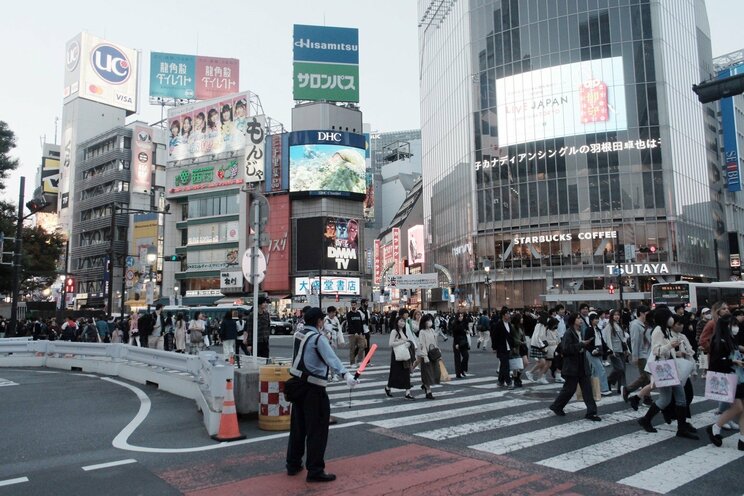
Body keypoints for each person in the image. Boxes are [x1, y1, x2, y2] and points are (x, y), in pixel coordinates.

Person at [286, 307, 359, 482]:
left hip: (297, 385)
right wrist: (346, 375)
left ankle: (293, 464)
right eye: (322, 320)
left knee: (298, 427)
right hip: (314, 388)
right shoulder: (318, 339)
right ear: (319, 321)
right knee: (317, 429)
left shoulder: (299, 334)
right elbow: (331, 358)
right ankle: (315, 470)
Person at [637, 306, 698, 440]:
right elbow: (656, 351)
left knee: (668, 399)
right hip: (664, 368)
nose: (672, 318)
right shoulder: (658, 330)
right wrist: (671, 345)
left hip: (669, 367)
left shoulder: (665, 329)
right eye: (670, 316)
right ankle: (679, 428)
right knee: (675, 398)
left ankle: (647, 420)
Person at [549, 313, 601, 421]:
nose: (580, 320)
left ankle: (591, 412)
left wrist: (585, 345)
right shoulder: (569, 333)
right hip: (572, 366)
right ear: (573, 321)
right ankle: (557, 406)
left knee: (587, 389)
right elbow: (566, 349)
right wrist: (582, 344)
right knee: (569, 389)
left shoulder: (581, 332)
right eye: (578, 318)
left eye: (581, 318)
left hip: (582, 364)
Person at [706, 314, 744, 450]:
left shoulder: (731, 339)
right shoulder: (718, 339)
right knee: (739, 407)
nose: (735, 327)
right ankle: (715, 428)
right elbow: (716, 362)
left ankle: (742, 439)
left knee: (742, 408)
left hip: (737, 376)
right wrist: (733, 361)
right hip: (727, 377)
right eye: (732, 325)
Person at [625, 305, 653, 408]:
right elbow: (634, 341)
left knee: (645, 377)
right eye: (647, 312)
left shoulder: (645, 324)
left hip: (647, 353)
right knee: (646, 377)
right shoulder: (635, 325)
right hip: (641, 354)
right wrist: (635, 356)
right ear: (641, 313)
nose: (648, 314)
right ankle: (645, 397)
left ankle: (631, 390)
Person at [385, 315, 417, 399]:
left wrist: (409, 343)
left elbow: (407, 341)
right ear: (397, 322)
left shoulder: (403, 331)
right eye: (401, 321)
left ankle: (408, 392)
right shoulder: (394, 331)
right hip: (396, 355)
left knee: (406, 373)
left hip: (405, 355)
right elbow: (390, 344)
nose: (402, 323)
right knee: (395, 373)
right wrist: (402, 342)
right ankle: (388, 387)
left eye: (403, 321)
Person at [584, 312, 611, 396]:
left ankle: (593, 388)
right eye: (595, 319)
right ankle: (604, 389)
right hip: (592, 352)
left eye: (597, 318)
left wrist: (607, 348)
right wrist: (592, 350)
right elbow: (587, 342)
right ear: (591, 320)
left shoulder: (598, 329)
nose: (597, 320)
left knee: (594, 371)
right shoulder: (589, 330)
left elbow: (602, 341)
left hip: (599, 350)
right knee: (601, 370)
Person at [604, 309, 629, 396]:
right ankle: (609, 380)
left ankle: (622, 388)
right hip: (614, 351)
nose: (617, 316)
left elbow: (623, 339)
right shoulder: (609, 326)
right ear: (611, 316)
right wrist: (611, 350)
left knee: (623, 370)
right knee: (620, 368)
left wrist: (627, 350)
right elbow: (607, 339)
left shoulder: (619, 325)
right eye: (615, 315)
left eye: (618, 314)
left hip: (621, 350)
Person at [416, 313, 441, 399]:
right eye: (428, 320)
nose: (430, 322)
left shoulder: (432, 331)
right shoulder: (422, 332)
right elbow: (421, 344)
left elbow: (435, 343)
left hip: (433, 354)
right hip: (426, 355)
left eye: (431, 320)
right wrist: (425, 356)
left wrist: (438, 352)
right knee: (427, 374)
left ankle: (425, 385)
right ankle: (428, 391)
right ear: (424, 322)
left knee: (435, 372)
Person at [490, 307, 512, 388]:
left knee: (503, 366)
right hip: (501, 348)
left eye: (509, 314)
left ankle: (500, 381)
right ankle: (509, 382)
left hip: (508, 348)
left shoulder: (509, 324)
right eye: (507, 314)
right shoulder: (499, 324)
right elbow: (494, 336)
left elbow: (510, 336)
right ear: (503, 315)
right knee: (506, 366)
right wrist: (494, 347)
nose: (509, 315)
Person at [345, 299, 366, 366]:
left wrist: (362, 332)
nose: (353, 306)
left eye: (354, 304)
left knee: (362, 346)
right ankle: (352, 362)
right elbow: (350, 324)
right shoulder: (349, 314)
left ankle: (359, 361)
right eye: (352, 305)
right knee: (352, 348)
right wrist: (354, 332)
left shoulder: (358, 313)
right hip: (352, 334)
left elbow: (361, 323)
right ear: (351, 305)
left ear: (356, 305)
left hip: (360, 333)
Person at [451, 311, 471, 379]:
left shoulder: (464, 323)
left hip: (463, 341)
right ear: (457, 317)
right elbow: (455, 335)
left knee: (466, 356)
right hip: (457, 342)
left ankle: (462, 369)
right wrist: (456, 343)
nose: (461, 317)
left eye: (462, 316)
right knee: (457, 359)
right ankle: (458, 373)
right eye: (459, 316)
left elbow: (466, 330)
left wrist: (466, 331)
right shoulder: (455, 324)